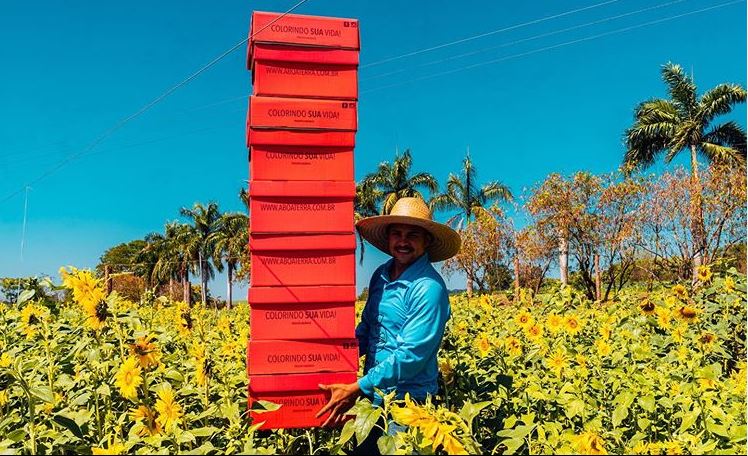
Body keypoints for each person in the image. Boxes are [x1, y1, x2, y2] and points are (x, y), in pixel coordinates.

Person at [316, 197, 461, 449]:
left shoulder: (429, 288)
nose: (403, 241)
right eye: (397, 233)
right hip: (372, 398)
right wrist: (331, 360)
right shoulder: (380, 275)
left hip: (409, 404)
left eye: (412, 235)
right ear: (388, 238)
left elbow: (411, 356)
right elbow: (367, 329)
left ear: (427, 240)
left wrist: (357, 388)